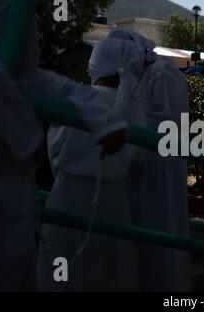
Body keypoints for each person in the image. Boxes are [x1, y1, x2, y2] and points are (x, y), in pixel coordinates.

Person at [0, 0, 127, 291]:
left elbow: (65, 91)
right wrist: (30, 140)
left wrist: (106, 121)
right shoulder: (3, 74)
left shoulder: (23, 77)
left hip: (20, 193)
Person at [37, 37, 148, 291]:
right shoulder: (135, 106)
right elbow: (138, 156)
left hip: (69, 195)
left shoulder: (79, 98)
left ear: (96, 64)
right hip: (115, 199)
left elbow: (55, 150)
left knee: (61, 264)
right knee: (110, 269)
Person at [109, 29, 191, 292]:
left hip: (160, 166)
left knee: (161, 227)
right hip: (137, 163)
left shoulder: (162, 72)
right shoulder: (133, 76)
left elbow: (168, 124)